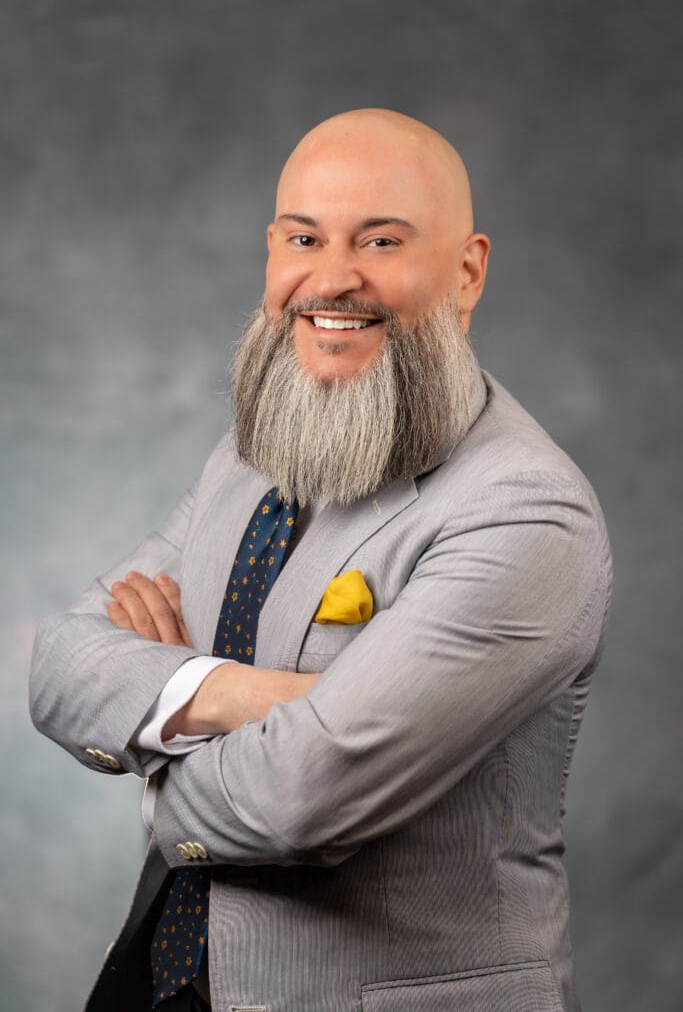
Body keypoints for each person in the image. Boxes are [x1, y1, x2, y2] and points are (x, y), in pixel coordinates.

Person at [29, 108, 612, 1012]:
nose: (332, 278)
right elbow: (60, 666)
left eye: (380, 241)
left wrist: (156, 725)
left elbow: (296, 802)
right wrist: (248, 695)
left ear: (466, 272)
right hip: (166, 979)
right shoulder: (251, 453)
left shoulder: (524, 510)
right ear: (273, 249)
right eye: (305, 238)